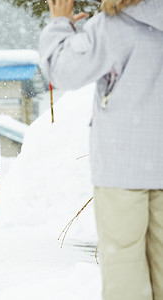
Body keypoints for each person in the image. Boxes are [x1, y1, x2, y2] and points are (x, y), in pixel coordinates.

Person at [39, 0, 163, 299]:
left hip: (123, 167)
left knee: (124, 266)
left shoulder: (113, 25)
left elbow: (63, 72)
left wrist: (60, 23)